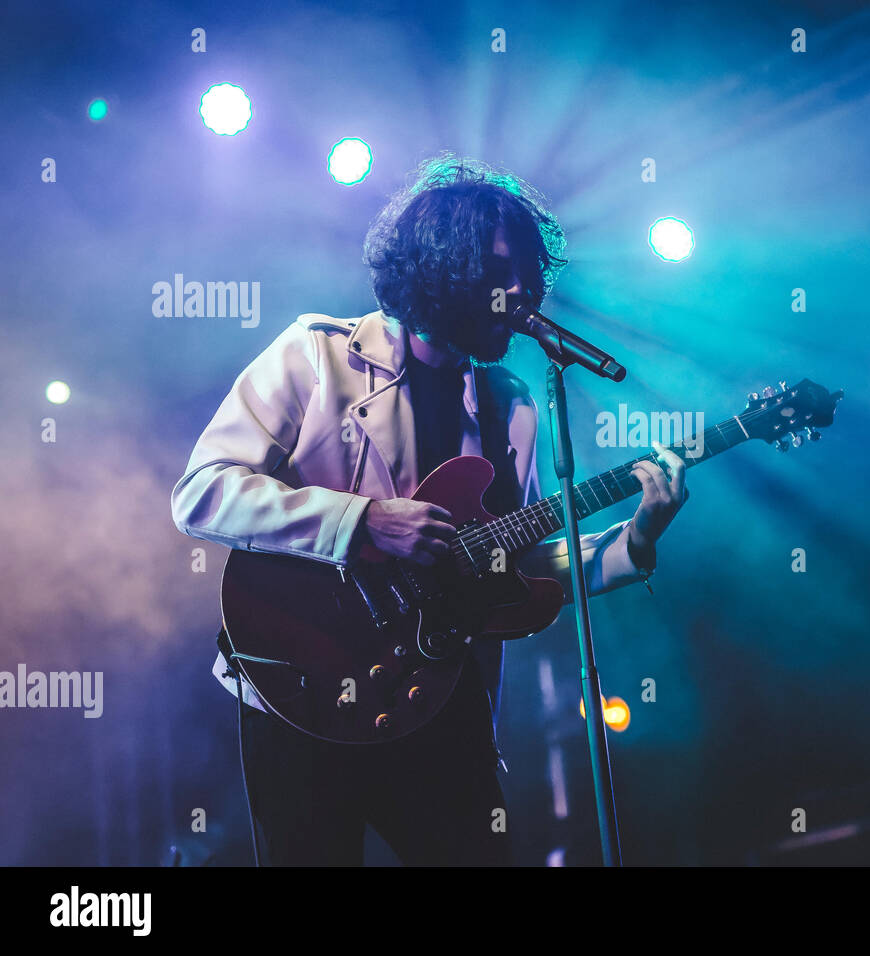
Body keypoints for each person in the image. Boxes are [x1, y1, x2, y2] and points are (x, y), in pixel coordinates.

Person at [171, 154, 687, 865]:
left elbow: (520, 565)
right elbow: (202, 493)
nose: (522, 291)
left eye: (529, 273)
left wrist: (636, 537)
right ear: (439, 271)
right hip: (302, 683)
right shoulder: (316, 356)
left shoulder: (509, 405)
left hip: (439, 695)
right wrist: (361, 524)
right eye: (499, 272)